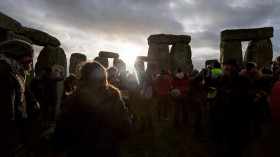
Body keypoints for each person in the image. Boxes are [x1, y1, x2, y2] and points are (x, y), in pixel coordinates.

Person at [51, 61, 133, 157]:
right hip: (108, 151)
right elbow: (127, 130)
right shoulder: (113, 96)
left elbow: (58, 141)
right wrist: (110, 139)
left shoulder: (73, 100)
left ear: (82, 78)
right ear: (104, 77)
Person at [0, 39, 34, 156]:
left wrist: (32, 100)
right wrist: (16, 148)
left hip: (18, 128)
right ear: (16, 54)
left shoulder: (15, 72)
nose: (31, 60)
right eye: (28, 56)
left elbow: (23, 90)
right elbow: (5, 115)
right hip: (9, 140)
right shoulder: (4, 72)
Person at [213, 59, 249, 157]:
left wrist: (229, 92)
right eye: (224, 65)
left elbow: (244, 95)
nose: (225, 67)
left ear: (233, 67)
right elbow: (216, 90)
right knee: (221, 137)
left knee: (234, 139)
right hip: (221, 113)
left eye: (227, 65)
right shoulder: (221, 79)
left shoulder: (241, 80)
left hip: (235, 113)